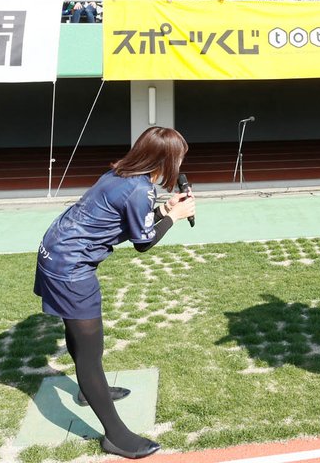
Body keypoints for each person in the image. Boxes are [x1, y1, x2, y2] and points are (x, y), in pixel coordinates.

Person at [34, 127, 195, 459]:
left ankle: (91, 391)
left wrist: (164, 212)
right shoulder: (140, 190)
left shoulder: (120, 174)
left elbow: (132, 219)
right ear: (165, 160)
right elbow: (143, 242)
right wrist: (174, 217)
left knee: (79, 337)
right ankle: (116, 436)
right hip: (71, 268)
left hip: (55, 251)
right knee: (91, 352)